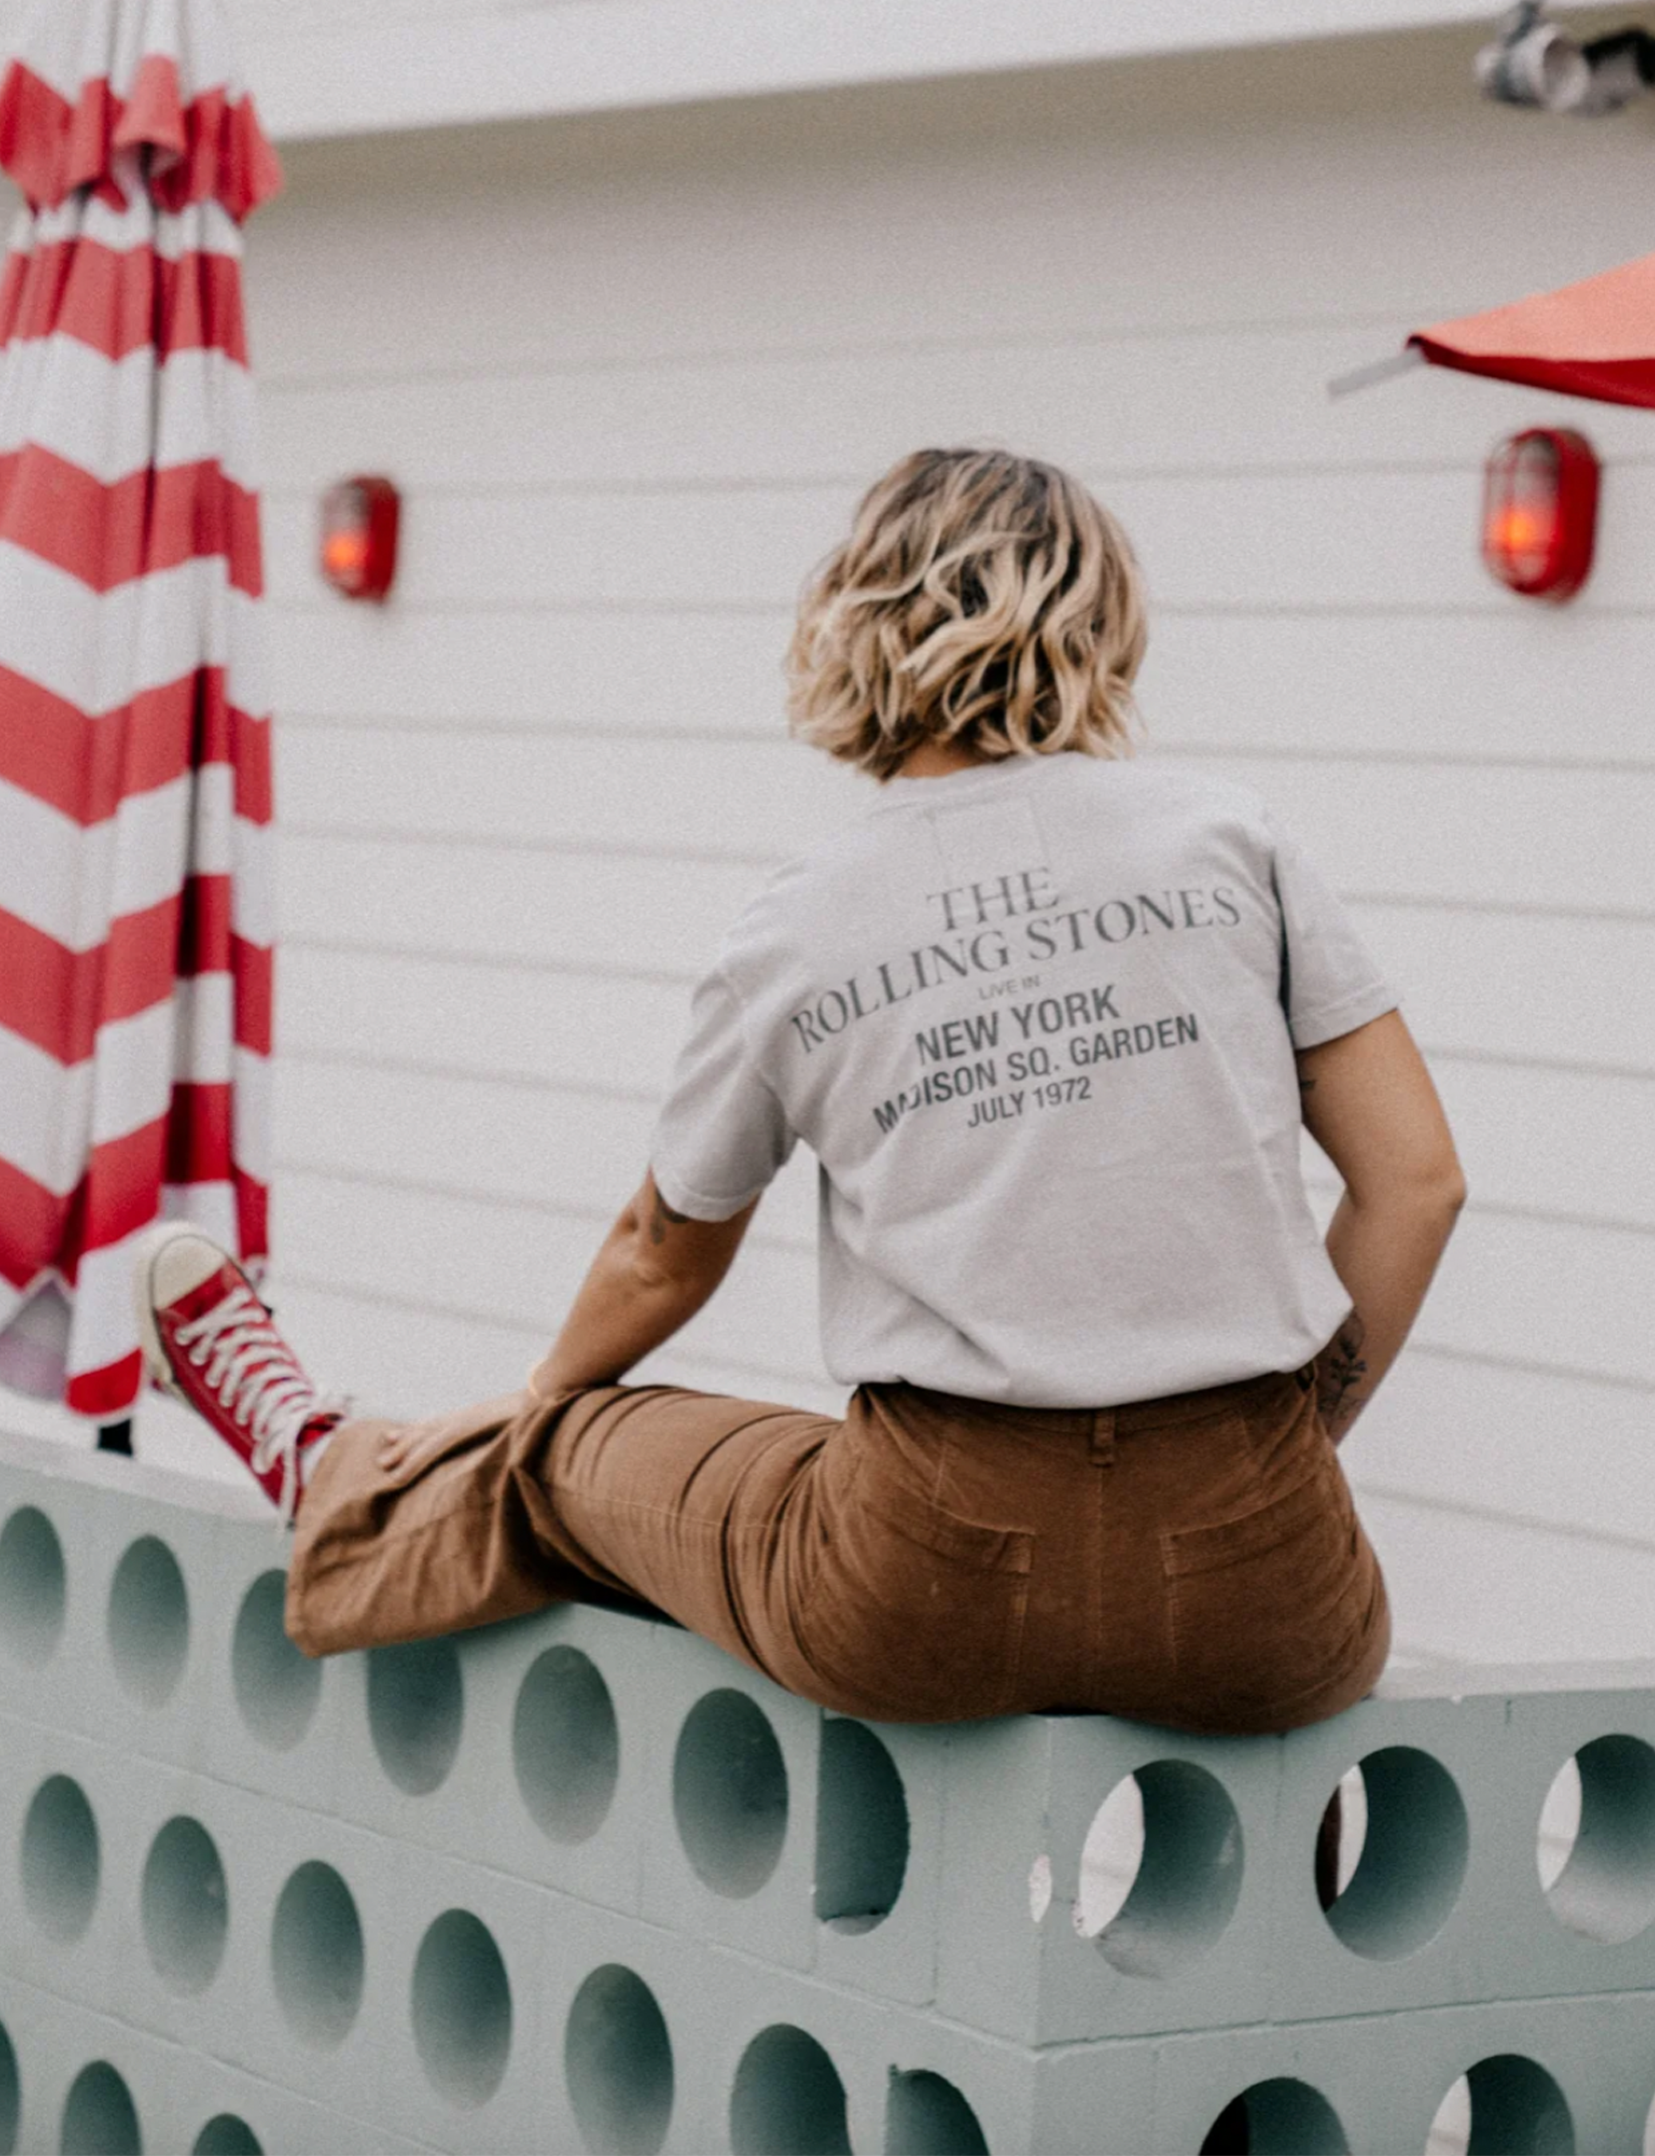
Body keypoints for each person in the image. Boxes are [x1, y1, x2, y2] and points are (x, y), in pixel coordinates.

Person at [132, 447, 1465, 1736]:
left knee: (565, 1449)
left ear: (853, 618)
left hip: (921, 1594)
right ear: (1102, 624)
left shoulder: (800, 921)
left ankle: (337, 1472)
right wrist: (1300, 1430)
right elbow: (1414, 1183)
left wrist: (530, 1404)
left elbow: (660, 1255)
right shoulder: (1228, 840)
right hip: (1263, 1594)